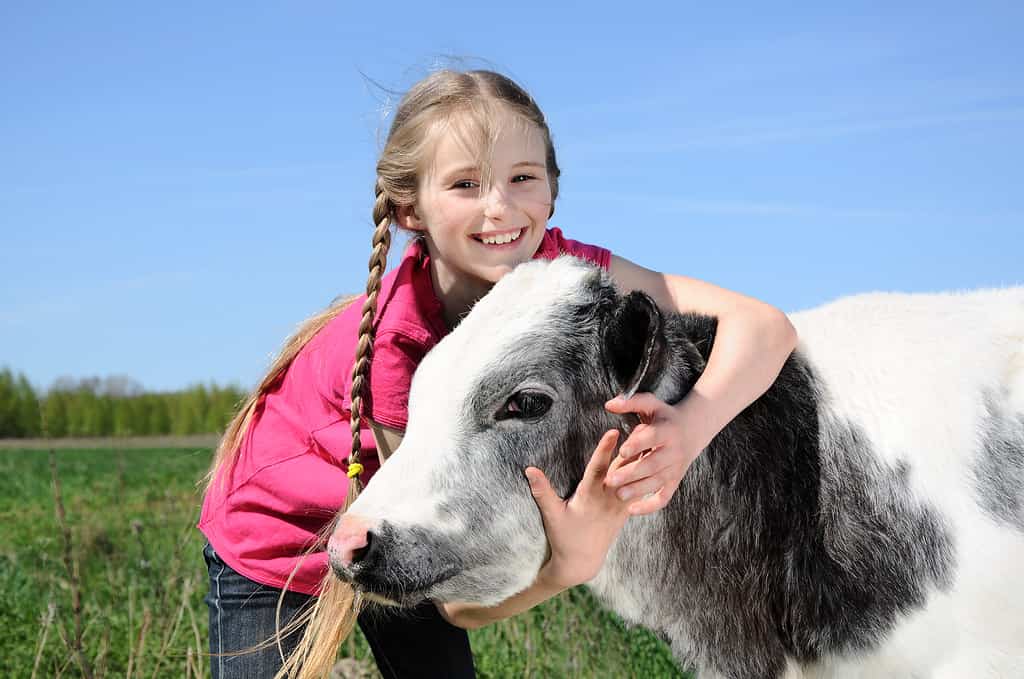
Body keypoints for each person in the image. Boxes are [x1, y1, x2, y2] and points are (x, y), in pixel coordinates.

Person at [199, 68, 798, 678]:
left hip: (392, 525)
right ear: (409, 208)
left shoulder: (563, 279)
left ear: (553, 190)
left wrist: (690, 429)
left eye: (522, 179)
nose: (500, 208)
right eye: (465, 184)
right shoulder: (395, 343)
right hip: (279, 543)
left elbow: (765, 327)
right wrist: (572, 563)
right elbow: (457, 604)